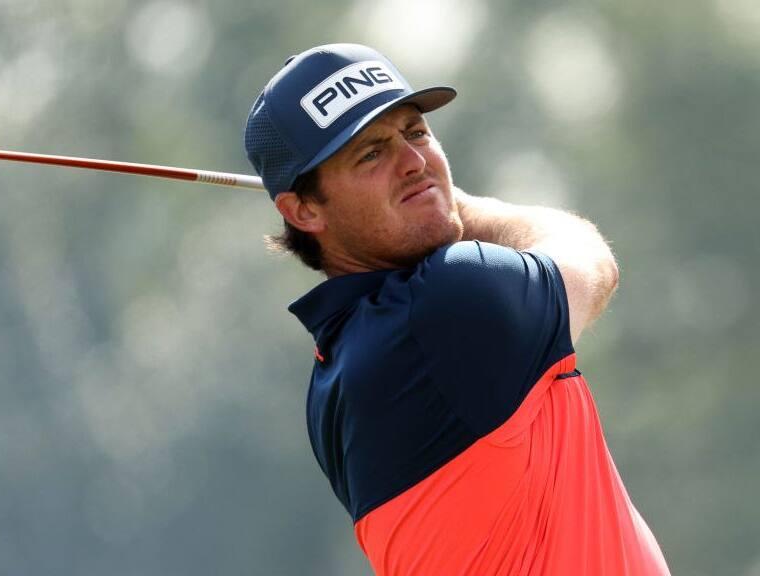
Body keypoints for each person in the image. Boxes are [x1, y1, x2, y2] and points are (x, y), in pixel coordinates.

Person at [244, 43, 671, 575]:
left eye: (415, 132)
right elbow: (592, 261)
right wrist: (469, 208)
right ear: (304, 210)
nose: (414, 163)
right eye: (371, 154)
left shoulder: (332, 378)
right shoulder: (450, 301)